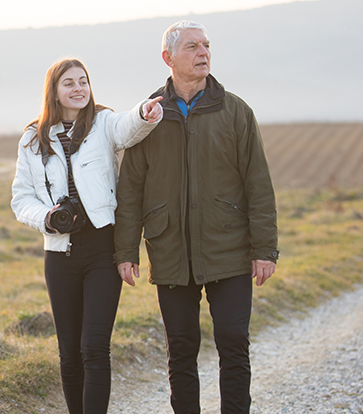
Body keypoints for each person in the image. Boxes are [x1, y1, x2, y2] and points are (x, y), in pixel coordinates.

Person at [114, 21, 279, 414]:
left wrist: (265, 249)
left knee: (234, 341)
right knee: (181, 348)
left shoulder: (236, 111)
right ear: (168, 57)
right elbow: (131, 189)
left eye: (206, 45)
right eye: (192, 47)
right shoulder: (149, 115)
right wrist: (126, 251)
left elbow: (258, 184)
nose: (203, 53)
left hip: (229, 248)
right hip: (170, 250)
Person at [11, 58, 163, 414]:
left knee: (94, 347)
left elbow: (128, 127)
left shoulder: (103, 122)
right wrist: (48, 218)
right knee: (69, 353)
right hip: (59, 253)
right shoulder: (32, 138)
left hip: (101, 250)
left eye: (83, 81)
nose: (79, 88)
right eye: (69, 83)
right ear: (54, 91)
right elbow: (21, 198)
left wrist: (145, 112)